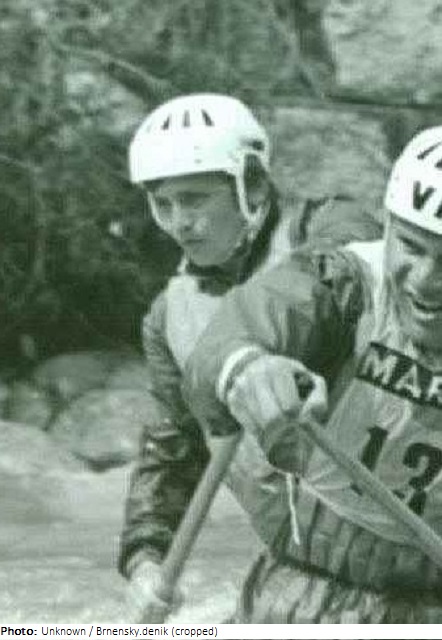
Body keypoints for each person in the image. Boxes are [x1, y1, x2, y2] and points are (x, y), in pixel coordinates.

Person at [118, 93, 381, 622]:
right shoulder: (168, 316)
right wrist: (145, 557)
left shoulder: (335, 230)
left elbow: (313, 290)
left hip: (400, 560)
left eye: (194, 200)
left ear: (254, 184)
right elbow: (173, 451)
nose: (179, 223)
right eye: (163, 204)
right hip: (294, 573)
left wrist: (248, 353)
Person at [184, 126, 442, 623]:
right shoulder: (344, 282)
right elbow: (249, 324)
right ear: (388, 227)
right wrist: (248, 367)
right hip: (302, 589)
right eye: (411, 247)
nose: (427, 282)